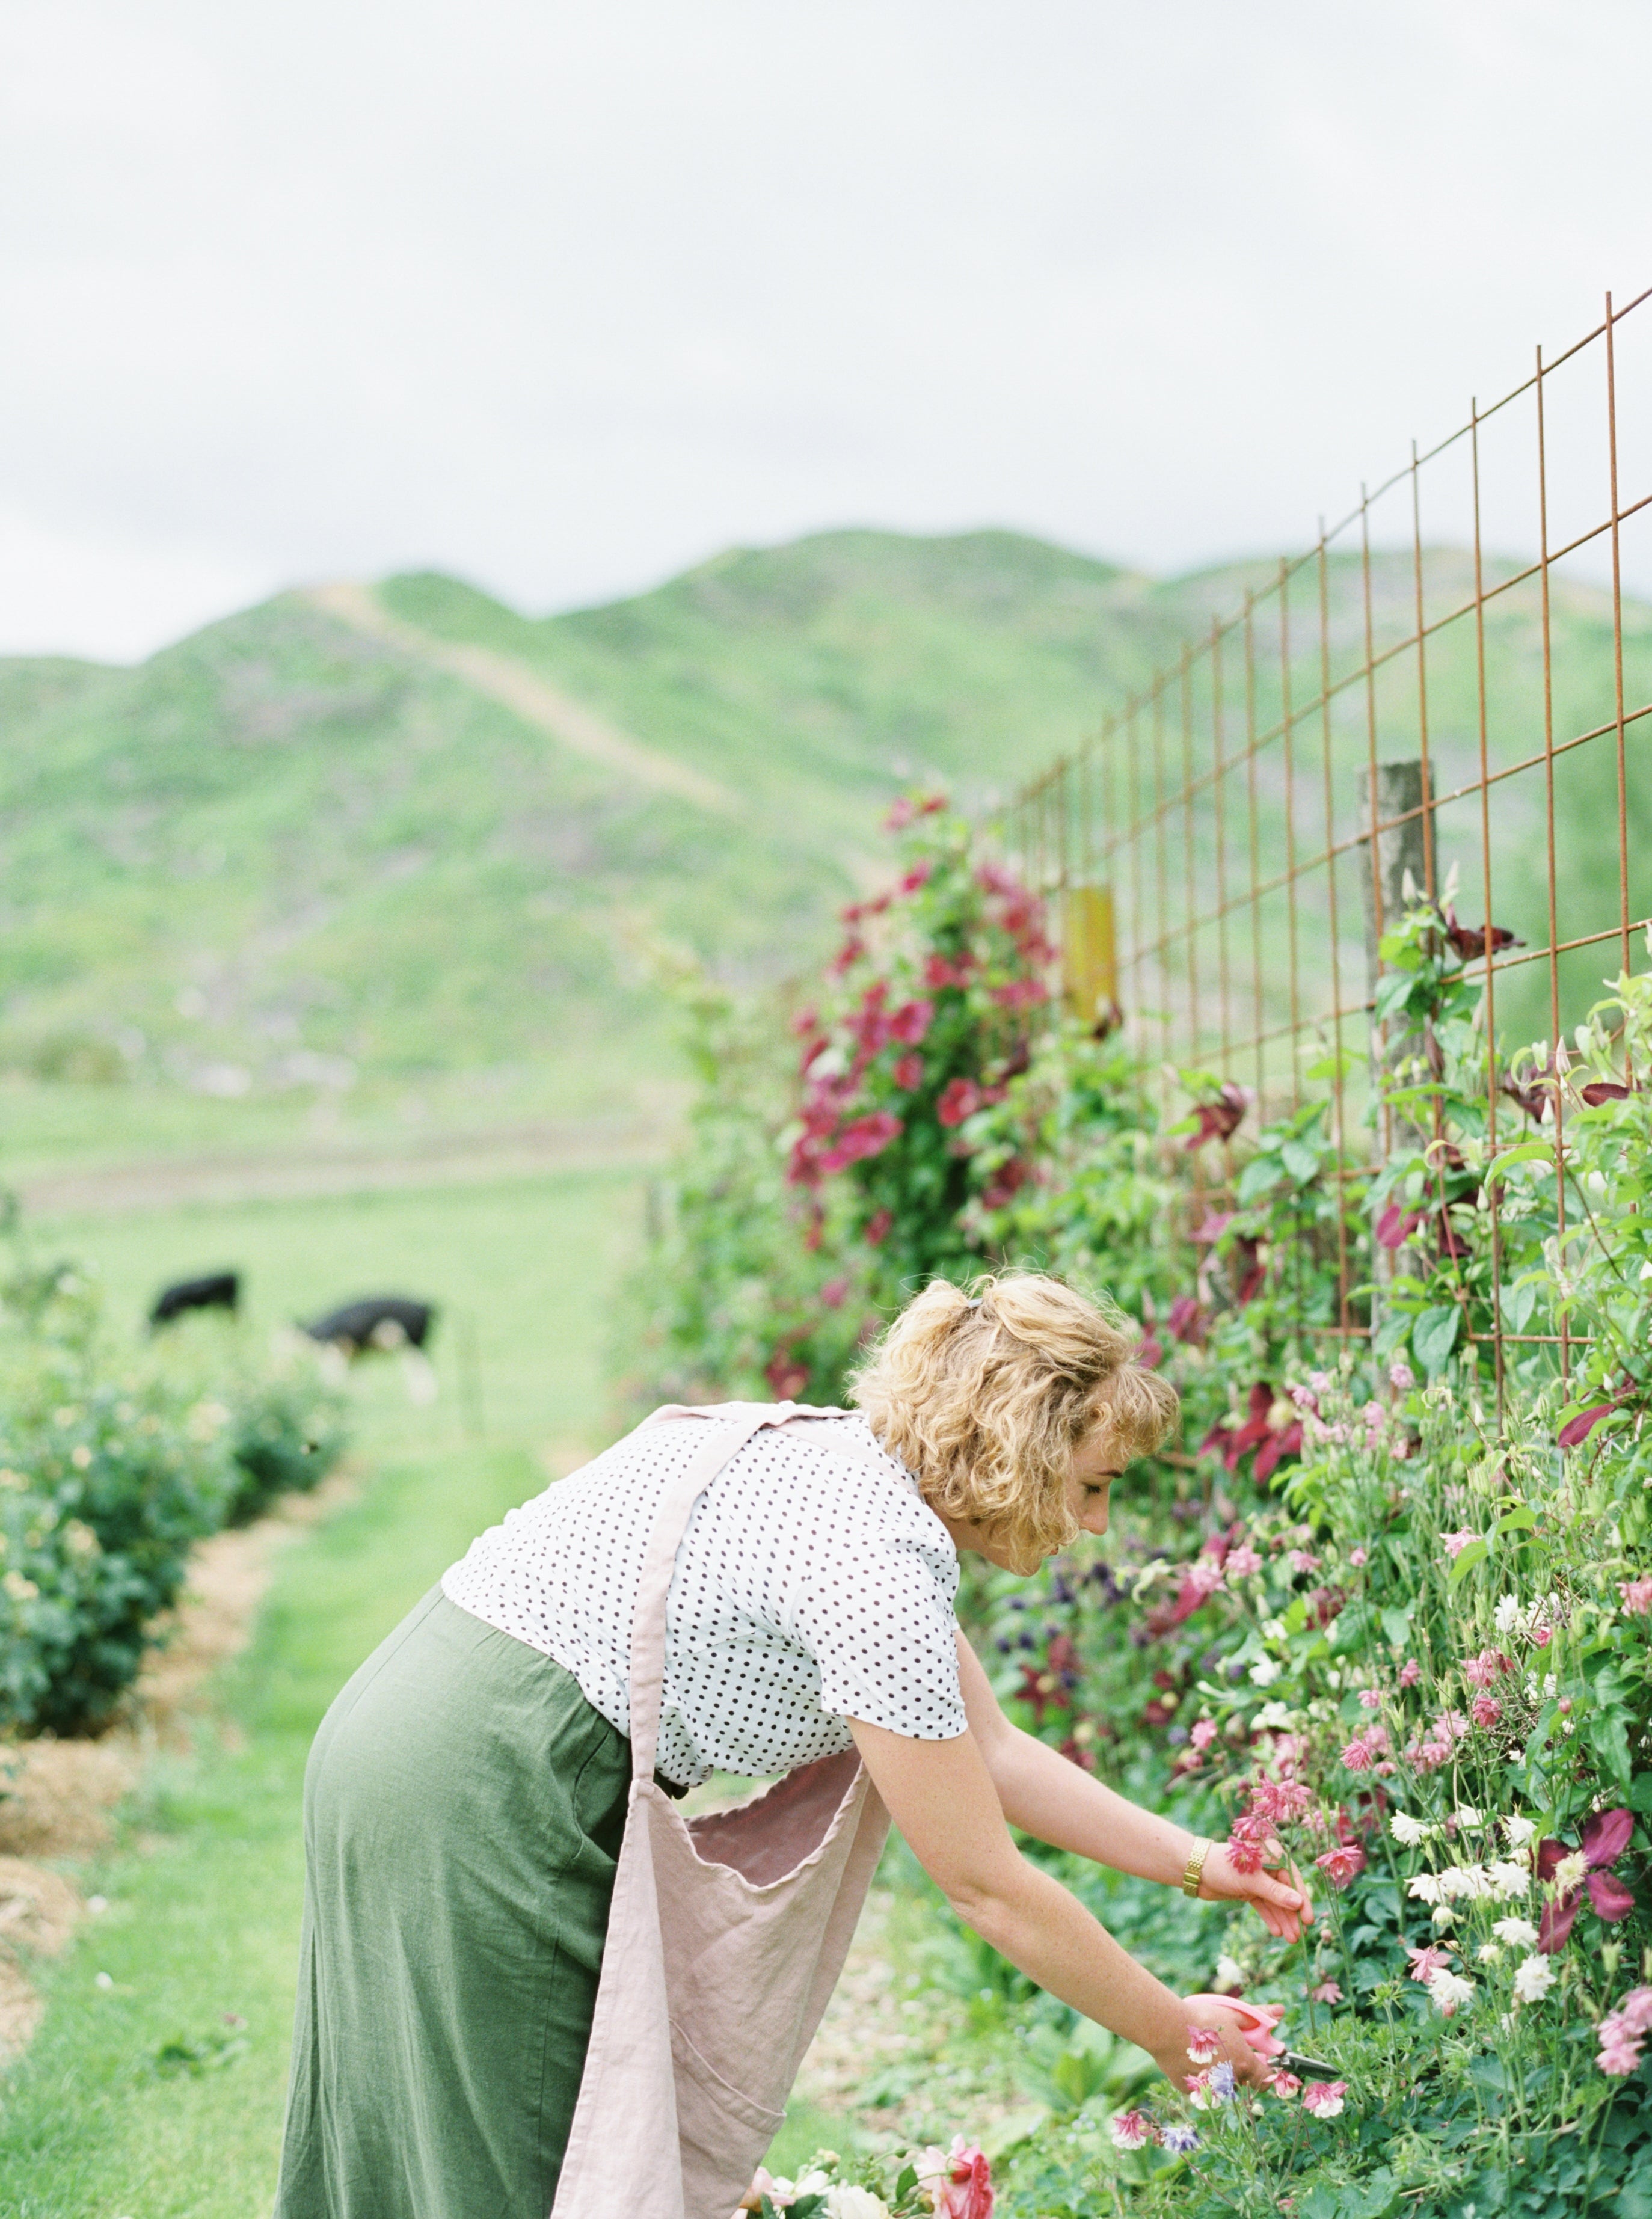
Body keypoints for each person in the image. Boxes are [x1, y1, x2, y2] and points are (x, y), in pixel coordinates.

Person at [274, 1272, 1311, 2219]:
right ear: (1016, 1451)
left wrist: (1200, 1866)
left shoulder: (847, 1474)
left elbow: (988, 1752)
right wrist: (1176, 2032)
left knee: (447, 2144)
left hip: (407, 1727)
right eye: (1091, 1484)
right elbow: (985, 1884)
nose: (1097, 1521)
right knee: (536, 2161)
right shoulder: (876, 1566)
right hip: (480, 1778)